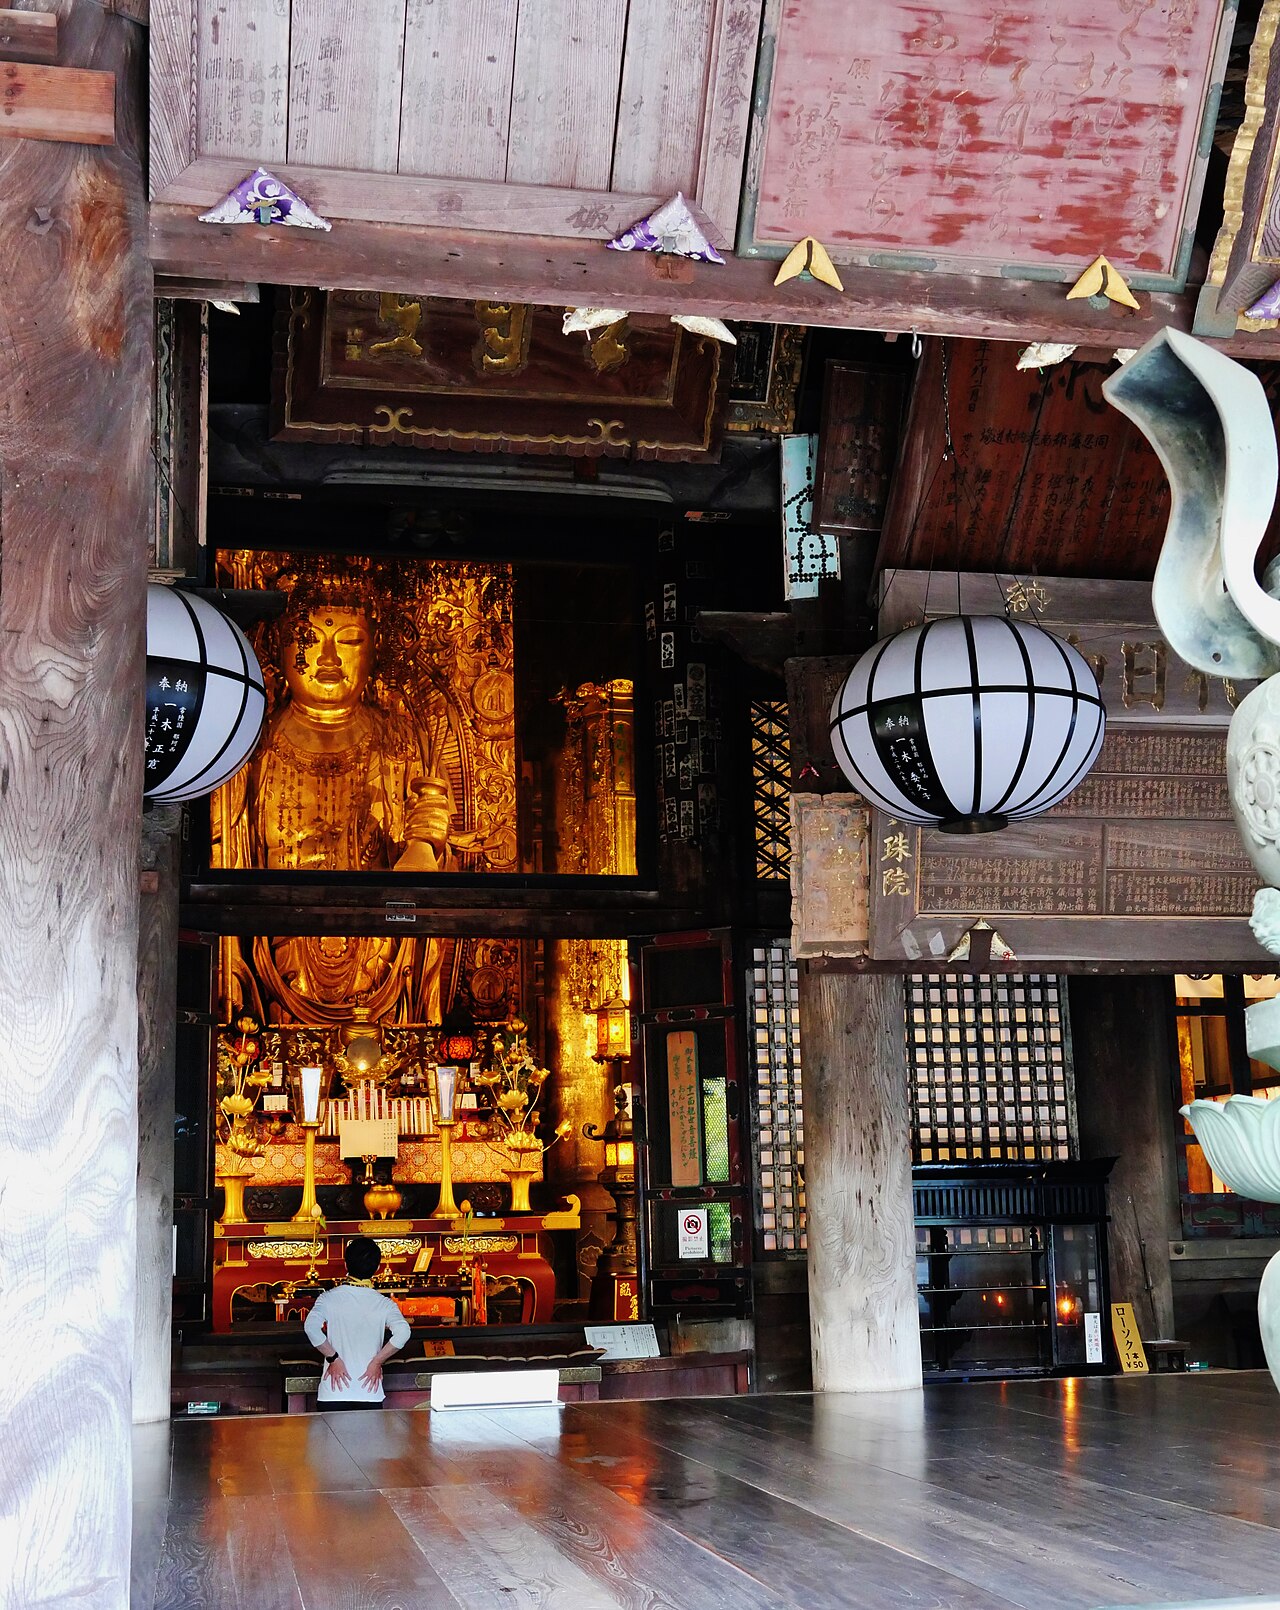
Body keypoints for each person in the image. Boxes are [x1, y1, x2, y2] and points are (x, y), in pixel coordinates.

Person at [212, 577, 456, 1023]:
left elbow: (432, 801)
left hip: (380, 950)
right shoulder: (254, 741)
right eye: (307, 639)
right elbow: (225, 841)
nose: (327, 658)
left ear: (375, 650)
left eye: (348, 640)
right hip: (281, 948)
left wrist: (423, 845)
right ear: (276, 646)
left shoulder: (399, 737)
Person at [303, 1236, 411, 1408]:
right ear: (377, 1268)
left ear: (346, 1265)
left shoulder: (328, 1299)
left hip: (333, 1392)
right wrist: (377, 1362)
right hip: (369, 1391)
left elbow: (311, 1328)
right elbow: (404, 1332)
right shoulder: (383, 1303)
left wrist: (334, 1359)